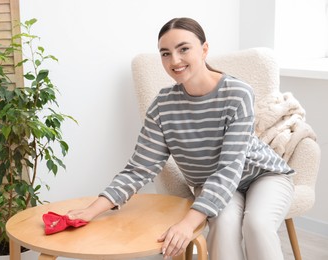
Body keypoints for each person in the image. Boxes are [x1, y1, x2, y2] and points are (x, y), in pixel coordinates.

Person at [67, 17, 294, 260]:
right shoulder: (163, 106)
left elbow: (229, 168)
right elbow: (139, 168)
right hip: (213, 185)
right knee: (224, 224)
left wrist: (187, 224)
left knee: (257, 225)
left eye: (183, 49)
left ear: (204, 49)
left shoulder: (238, 93)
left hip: (263, 175)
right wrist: (92, 210)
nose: (174, 60)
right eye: (165, 53)